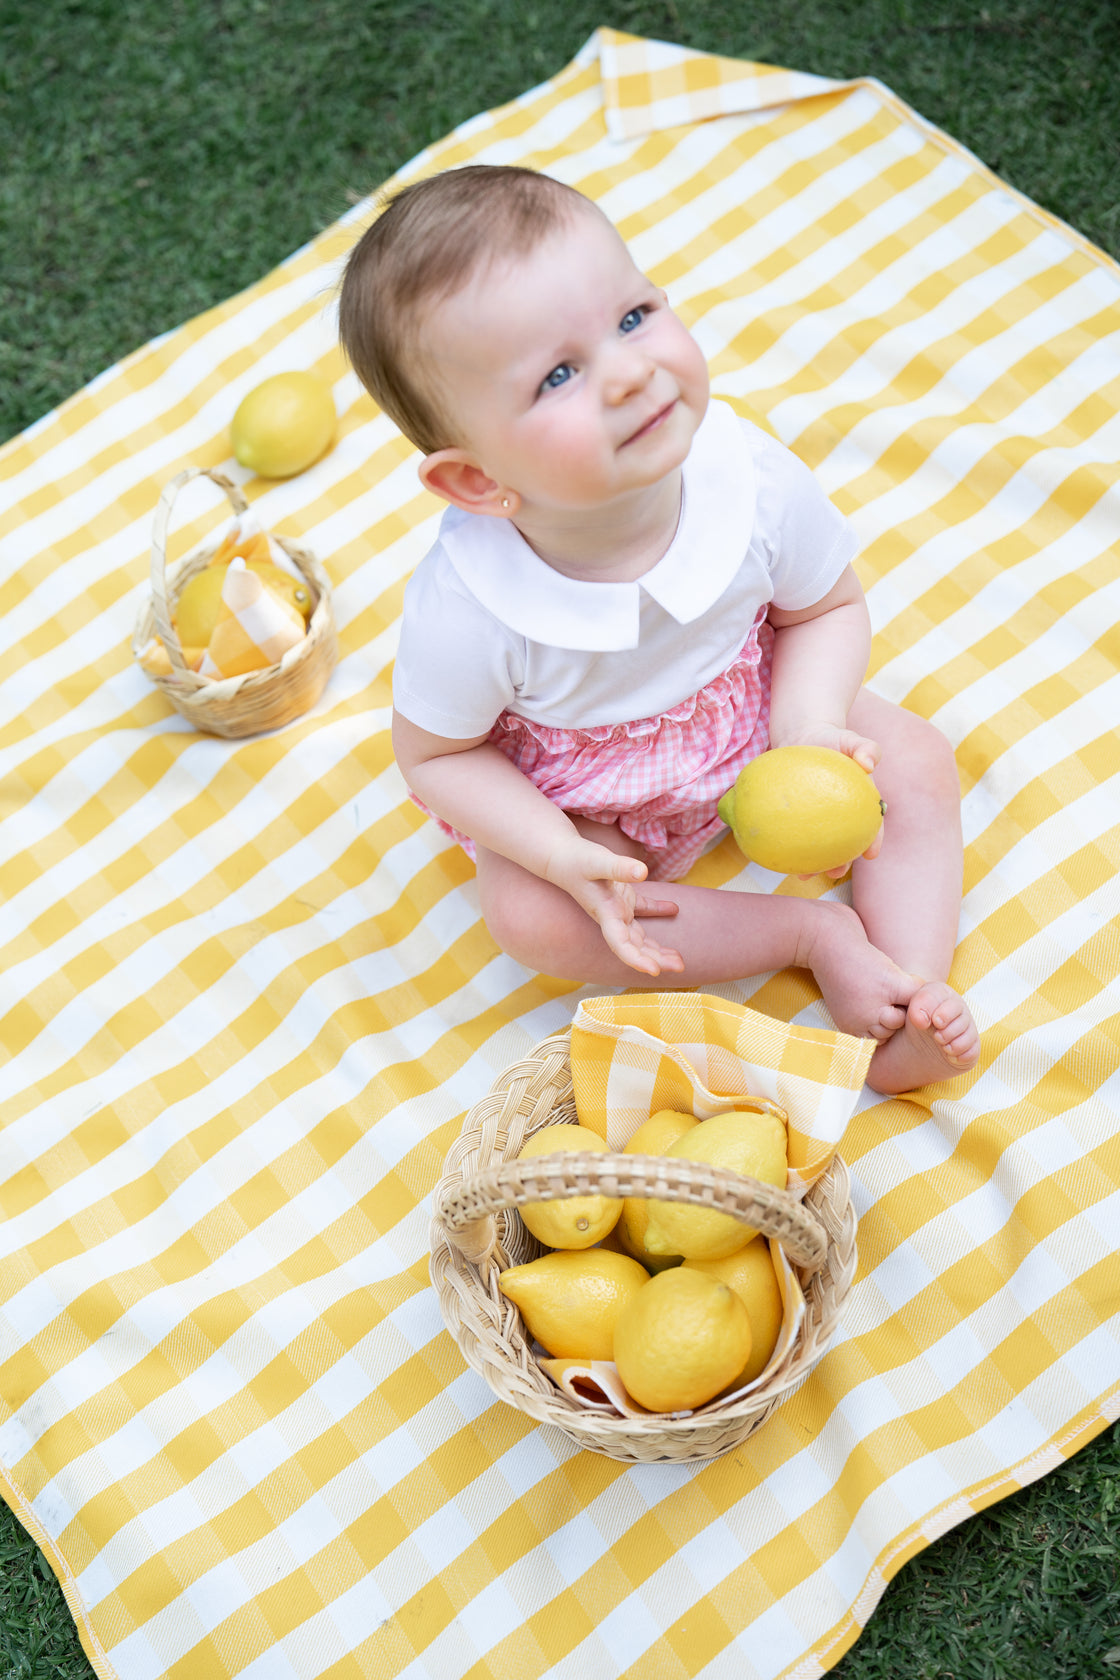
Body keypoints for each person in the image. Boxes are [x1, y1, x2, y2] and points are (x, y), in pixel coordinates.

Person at [338, 165, 980, 1095]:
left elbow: (824, 607)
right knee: (530, 917)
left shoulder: (749, 482)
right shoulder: (471, 605)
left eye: (634, 318)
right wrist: (562, 852)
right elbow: (438, 757)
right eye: (559, 374)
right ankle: (808, 935)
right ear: (477, 482)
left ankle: (907, 999)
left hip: (751, 703)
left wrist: (805, 724)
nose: (632, 371)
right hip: (586, 791)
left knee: (915, 761)